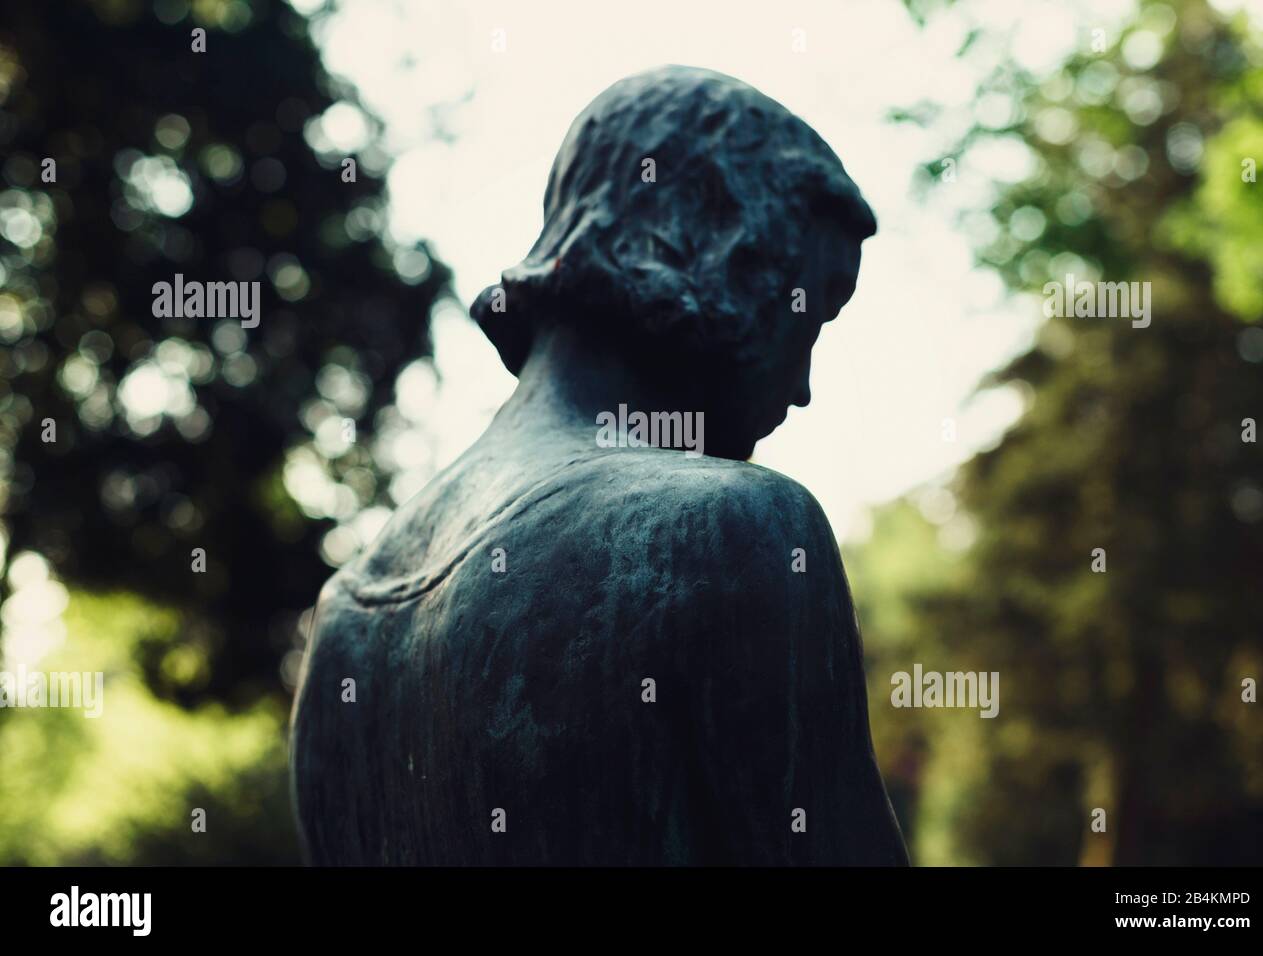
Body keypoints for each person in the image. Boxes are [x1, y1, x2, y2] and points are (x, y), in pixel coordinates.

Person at [291, 65, 908, 866]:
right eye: (811, 311)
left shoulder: (343, 621)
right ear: (728, 255)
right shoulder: (736, 530)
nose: (804, 388)